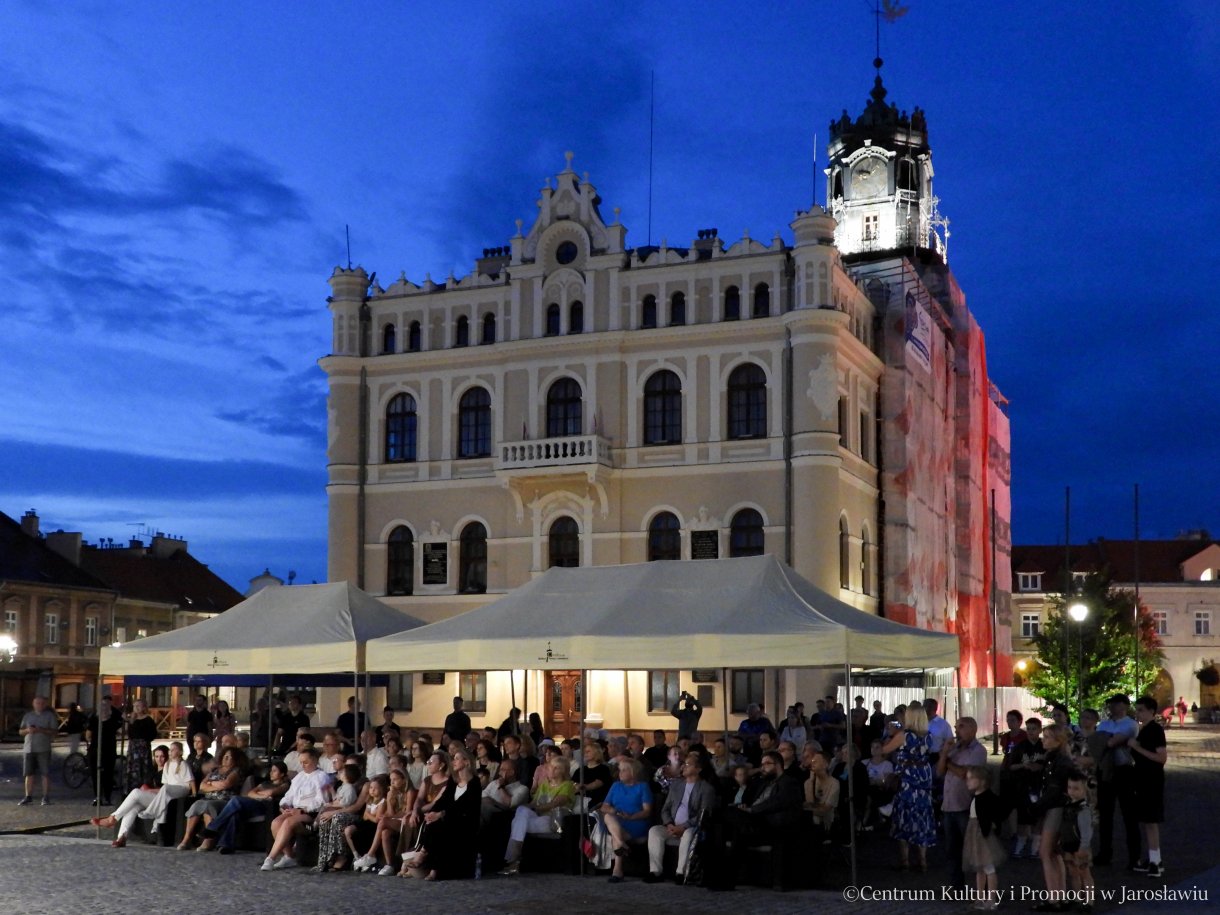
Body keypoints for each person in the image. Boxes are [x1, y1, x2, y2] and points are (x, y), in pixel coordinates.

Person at [645, 753, 716, 883]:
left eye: (688, 764)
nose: (683, 767)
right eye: (684, 764)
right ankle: (655, 872)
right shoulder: (676, 785)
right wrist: (669, 824)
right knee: (654, 831)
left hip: (691, 827)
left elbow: (704, 814)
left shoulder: (706, 789)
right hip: (672, 825)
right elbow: (665, 808)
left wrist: (683, 826)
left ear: (698, 769)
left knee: (689, 834)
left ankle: (681, 873)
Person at [498, 756, 576, 875]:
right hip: (538, 817)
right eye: (551, 767)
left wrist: (534, 808)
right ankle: (514, 860)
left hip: (553, 820)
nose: (551, 770)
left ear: (564, 771)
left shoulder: (568, 785)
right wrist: (523, 807)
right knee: (521, 811)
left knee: (518, 822)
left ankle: (513, 860)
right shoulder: (544, 784)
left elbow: (554, 804)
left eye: (556, 768)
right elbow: (533, 803)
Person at [882, 703, 935, 871]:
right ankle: (923, 860)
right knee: (922, 816)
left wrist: (891, 734)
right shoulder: (929, 736)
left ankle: (905, 860)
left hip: (907, 777)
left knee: (904, 815)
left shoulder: (904, 735)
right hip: (923, 776)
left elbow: (884, 750)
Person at [261, 747, 334, 870]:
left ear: (315, 761)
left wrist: (302, 809)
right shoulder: (299, 776)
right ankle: (289, 856)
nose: (303, 765)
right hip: (294, 810)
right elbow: (289, 795)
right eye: (301, 763)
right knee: (276, 823)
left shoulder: (322, 777)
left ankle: (271, 858)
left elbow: (322, 801)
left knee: (288, 822)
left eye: (306, 762)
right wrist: (284, 805)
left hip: (311, 813)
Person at [938, 716, 989, 890]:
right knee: (951, 850)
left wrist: (947, 761)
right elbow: (939, 771)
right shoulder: (954, 749)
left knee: (974, 850)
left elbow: (963, 773)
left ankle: (983, 888)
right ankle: (956, 886)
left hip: (966, 806)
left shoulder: (979, 750)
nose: (957, 730)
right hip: (949, 805)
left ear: (972, 729)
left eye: (961, 726)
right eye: (956, 726)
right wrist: (944, 754)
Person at [197, 759, 291, 854]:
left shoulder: (284, 785)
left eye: (274, 771)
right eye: (271, 770)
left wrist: (260, 794)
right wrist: (263, 795)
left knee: (236, 800)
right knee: (235, 813)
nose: (271, 773)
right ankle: (226, 845)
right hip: (255, 803)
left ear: (282, 774)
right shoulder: (265, 783)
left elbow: (271, 792)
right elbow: (250, 793)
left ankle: (213, 828)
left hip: (266, 807)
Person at [1032, 723, 1076, 911]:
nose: (1044, 739)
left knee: (1045, 852)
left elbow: (1054, 790)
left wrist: (1037, 806)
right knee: (1054, 853)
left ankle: (1054, 897)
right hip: (1056, 806)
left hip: (1056, 807)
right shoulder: (1055, 758)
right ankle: (1060, 894)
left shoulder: (1059, 761)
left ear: (1058, 741)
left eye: (1048, 737)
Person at [90, 744, 170, 846]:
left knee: (136, 792)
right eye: (157, 756)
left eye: (162, 756)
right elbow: (146, 783)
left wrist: (149, 790)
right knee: (132, 807)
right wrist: (145, 787)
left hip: (161, 799)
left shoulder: (168, 771)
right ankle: (121, 837)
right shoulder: (153, 770)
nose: (159, 759)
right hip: (150, 798)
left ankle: (113, 818)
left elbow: (166, 789)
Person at [1094, 694, 1139, 869]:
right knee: (1105, 814)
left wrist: (1106, 740)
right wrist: (1107, 741)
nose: (1111, 707)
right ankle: (1105, 852)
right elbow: (1098, 743)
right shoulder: (1105, 724)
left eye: (1115, 704)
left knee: (1129, 815)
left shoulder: (1130, 724)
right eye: (1110, 704)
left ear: (1124, 706)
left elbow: (1110, 742)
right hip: (1105, 770)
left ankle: (1134, 856)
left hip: (1124, 770)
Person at [178, 746, 248, 849]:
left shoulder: (236, 771)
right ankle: (186, 839)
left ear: (236, 759)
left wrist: (210, 783)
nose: (225, 758)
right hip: (209, 798)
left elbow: (226, 784)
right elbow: (201, 787)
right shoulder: (215, 770)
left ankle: (208, 841)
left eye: (229, 757)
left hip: (226, 801)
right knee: (197, 805)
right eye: (225, 756)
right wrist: (215, 785)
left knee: (208, 806)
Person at [1128, 695, 1167, 878]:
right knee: (1147, 821)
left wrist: (1137, 748)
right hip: (1142, 778)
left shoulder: (1155, 730)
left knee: (1151, 821)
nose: (1138, 713)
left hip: (1151, 779)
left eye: (1141, 710)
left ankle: (1155, 861)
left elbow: (1161, 758)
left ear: (1151, 711)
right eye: (1137, 710)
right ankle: (1154, 859)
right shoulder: (1144, 729)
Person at [398, 750, 452, 876]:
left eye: (431, 762)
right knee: (407, 821)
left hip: (435, 813)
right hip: (422, 811)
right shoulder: (427, 780)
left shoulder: (448, 782)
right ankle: (405, 859)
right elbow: (420, 798)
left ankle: (415, 861)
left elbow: (435, 804)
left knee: (421, 822)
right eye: (428, 762)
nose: (428, 764)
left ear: (441, 765)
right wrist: (415, 811)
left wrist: (417, 812)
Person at [600, 757, 653, 883]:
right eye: (620, 770)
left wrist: (631, 816)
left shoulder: (643, 787)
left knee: (615, 834)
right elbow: (604, 807)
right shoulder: (615, 785)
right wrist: (614, 811)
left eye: (624, 770)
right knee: (608, 816)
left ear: (633, 772)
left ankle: (617, 870)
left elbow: (647, 811)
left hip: (636, 822)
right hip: (616, 820)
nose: (620, 773)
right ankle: (621, 845)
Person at [962, 766, 1006, 912]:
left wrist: (991, 826)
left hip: (983, 835)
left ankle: (991, 898)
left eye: (971, 778)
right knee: (979, 867)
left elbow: (997, 814)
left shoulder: (988, 798)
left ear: (981, 781)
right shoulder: (977, 797)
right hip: (975, 833)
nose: (967, 781)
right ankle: (980, 897)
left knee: (988, 867)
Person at [313, 763, 370, 872]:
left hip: (355, 815)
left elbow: (354, 806)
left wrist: (334, 810)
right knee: (325, 818)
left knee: (337, 817)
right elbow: (337, 799)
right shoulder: (342, 786)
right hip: (342, 810)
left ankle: (340, 855)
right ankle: (325, 858)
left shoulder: (362, 785)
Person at [354, 767, 413, 874]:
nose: (392, 782)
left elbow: (407, 811)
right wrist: (391, 800)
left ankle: (371, 854)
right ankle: (390, 865)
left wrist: (389, 818)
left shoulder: (410, 792)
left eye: (395, 779)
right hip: (396, 821)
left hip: (406, 821)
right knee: (385, 833)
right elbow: (390, 813)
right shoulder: (392, 793)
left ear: (404, 780)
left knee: (382, 822)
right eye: (391, 780)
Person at [1007, 718, 1046, 858]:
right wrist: (1024, 765)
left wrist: (1041, 766)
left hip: (1040, 785)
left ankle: (1036, 846)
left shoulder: (1044, 745)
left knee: (1038, 816)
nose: (1030, 732)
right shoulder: (1020, 746)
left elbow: (1050, 764)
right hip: (1023, 784)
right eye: (1028, 728)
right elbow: (1011, 766)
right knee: (1023, 817)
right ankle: (1020, 844)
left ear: (1040, 730)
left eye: (1034, 728)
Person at [1061, 772, 1096, 912]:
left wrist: (1084, 847)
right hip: (1068, 844)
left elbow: (1087, 832)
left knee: (1084, 873)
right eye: (1070, 788)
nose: (1072, 792)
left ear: (1084, 790)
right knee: (1072, 872)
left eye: (1076, 789)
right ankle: (1076, 898)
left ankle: (1089, 901)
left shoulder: (1083, 809)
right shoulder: (1068, 805)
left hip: (1080, 846)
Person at [17, 695, 59, 806]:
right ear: (33, 704)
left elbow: (55, 731)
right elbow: (20, 731)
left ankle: (45, 797)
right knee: (28, 773)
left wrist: (41, 730)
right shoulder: (28, 716)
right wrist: (27, 730)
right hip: (28, 748)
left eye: (41, 703)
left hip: (43, 748)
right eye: (37, 703)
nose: (39, 705)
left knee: (45, 773)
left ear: (45, 704)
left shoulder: (49, 716)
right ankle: (28, 796)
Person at [86, 695, 123, 805]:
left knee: (108, 774)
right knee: (95, 774)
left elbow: (122, 731)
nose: (104, 708)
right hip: (95, 749)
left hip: (109, 748)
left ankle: (107, 796)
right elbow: (88, 734)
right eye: (102, 706)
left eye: (106, 706)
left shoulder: (114, 719)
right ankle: (97, 797)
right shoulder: (94, 719)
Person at [804, 749, 840, 839]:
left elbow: (825, 809)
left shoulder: (834, 783)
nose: (812, 763)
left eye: (816, 761)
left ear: (825, 765)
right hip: (811, 818)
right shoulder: (808, 782)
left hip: (825, 821)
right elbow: (810, 803)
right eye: (812, 761)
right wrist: (811, 782)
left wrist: (807, 810)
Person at [124, 698, 157, 794]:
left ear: (143, 707)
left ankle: (144, 787)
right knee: (133, 768)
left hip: (143, 746)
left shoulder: (148, 719)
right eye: (135, 706)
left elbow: (153, 734)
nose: (136, 708)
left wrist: (144, 740)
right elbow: (129, 734)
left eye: (138, 706)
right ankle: (131, 789)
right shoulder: (132, 719)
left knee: (144, 768)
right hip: (133, 746)